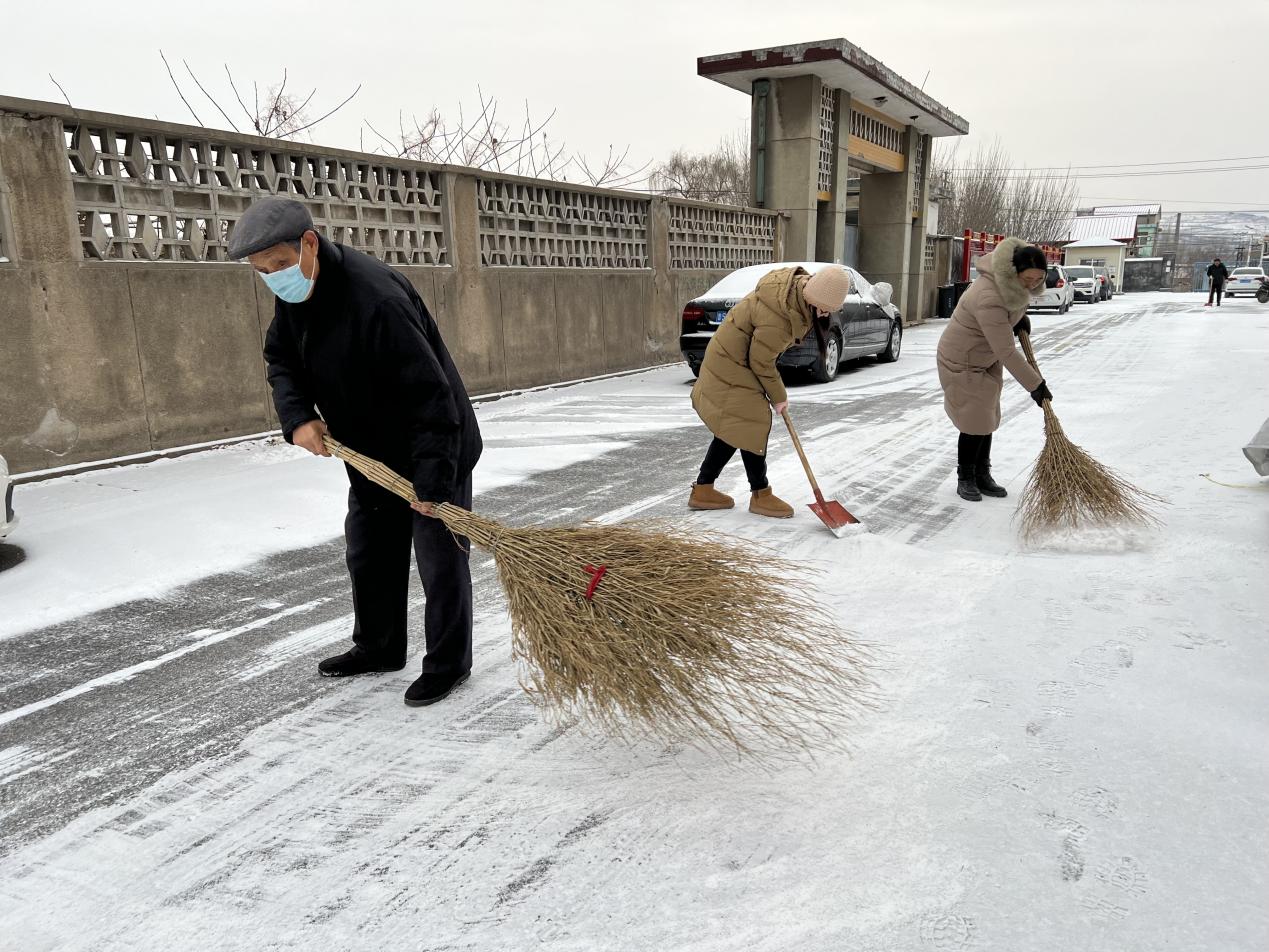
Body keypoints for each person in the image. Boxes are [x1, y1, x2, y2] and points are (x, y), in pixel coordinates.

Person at [229, 198, 482, 707]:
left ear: (309, 242)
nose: (274, 278)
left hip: (434, 444)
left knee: (439, 559)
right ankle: (379, 647)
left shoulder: (376, 299)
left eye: (278, 265)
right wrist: (298, 416)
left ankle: (449, 664)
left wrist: (433, 484)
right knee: (369, 551)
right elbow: (281, 357)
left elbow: (431, 395)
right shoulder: (297, 293)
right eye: (262, 272)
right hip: (369, 451)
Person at [687, 265, 851, 517]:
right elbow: (761, 361)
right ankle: (760, 494)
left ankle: (704, 489)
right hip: (730, 363)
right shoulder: (780, 316)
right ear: (815, 298)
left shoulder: (793, 293)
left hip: (734, 358)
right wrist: (779, 396)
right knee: (751, 420)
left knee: (737, 424)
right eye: (826, 308)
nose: (826, 314)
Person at [936, 238, 1052, 502]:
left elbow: (1009, 308)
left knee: (986, 416)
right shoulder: (989, 295)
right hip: (961, 359)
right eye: (1027, 279)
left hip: (984, 356)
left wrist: (1018, 317)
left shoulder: (1010, 285)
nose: (1032, 285)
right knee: (973, 418)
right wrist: (1036, 385)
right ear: (1013, 273)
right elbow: (1006, 351)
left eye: (1038, 280)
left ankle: (982, 473)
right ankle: (965, 477)